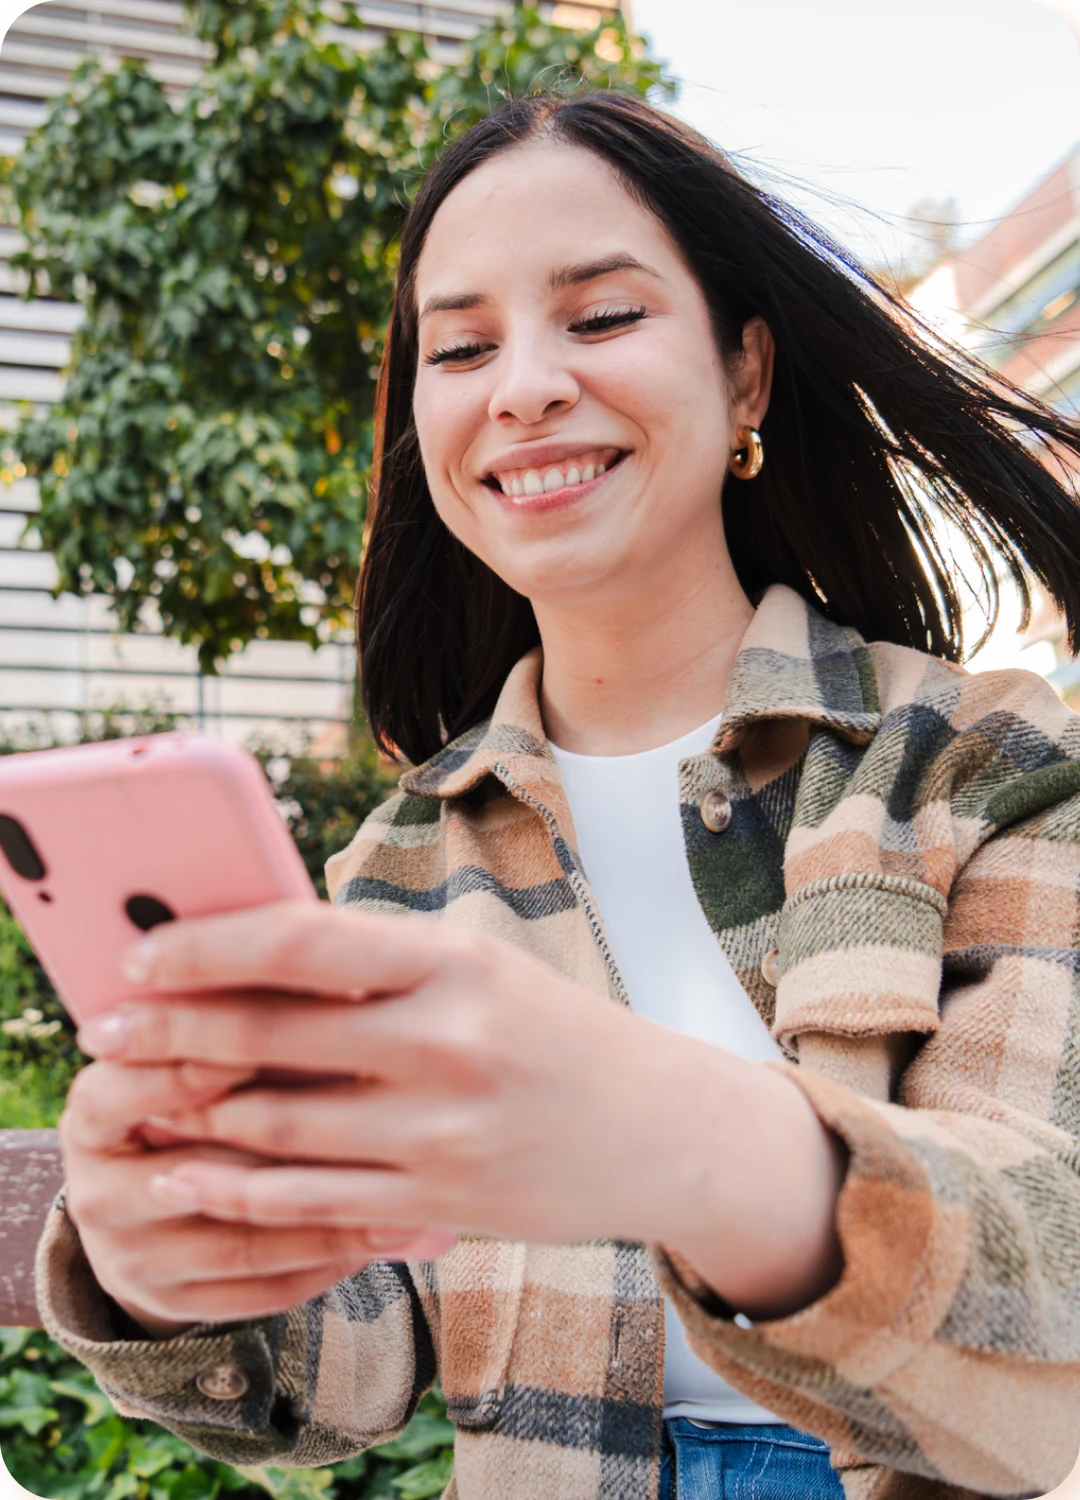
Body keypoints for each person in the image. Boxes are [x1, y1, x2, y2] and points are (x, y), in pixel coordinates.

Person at [35, 91, 1080, 1500]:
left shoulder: (978, 756)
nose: (520, 384)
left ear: (747, 377)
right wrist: (158, 1270)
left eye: (598, 319)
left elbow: (1054, 1292)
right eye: (460, 347)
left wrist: (680, 1139)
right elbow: (349, 1363)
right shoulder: (397, 865)